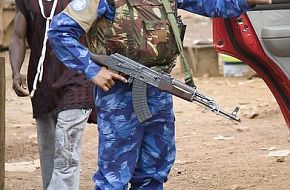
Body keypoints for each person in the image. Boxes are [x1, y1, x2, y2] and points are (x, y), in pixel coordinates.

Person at [48, 0, 271, 189]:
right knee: (114, 176)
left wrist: (247, 1)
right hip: (119, 95)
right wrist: (92, 69)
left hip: (158, 90)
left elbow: (213, 4)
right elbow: (60, 32)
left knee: (154, 169)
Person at [9, 0, 95, 189]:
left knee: (66, 153)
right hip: (42, 83)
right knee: (48, 153)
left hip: (77, 80)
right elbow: (17, 36)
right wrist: (16, 72)